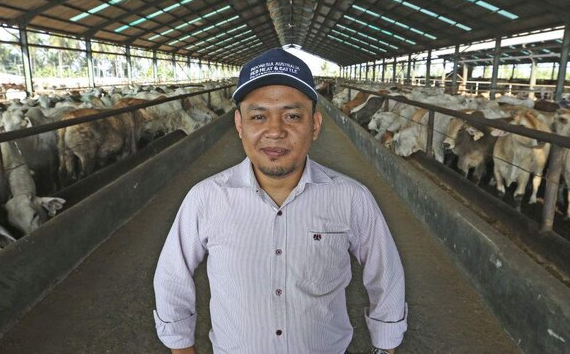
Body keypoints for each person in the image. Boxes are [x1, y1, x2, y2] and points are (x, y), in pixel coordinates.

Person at [153, 48, 407, 354]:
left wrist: (386, 347)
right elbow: (171, 277)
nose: (275, 131)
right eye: (259, 116)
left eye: (292, 116)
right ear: (239, 124)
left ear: (314, 125)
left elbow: (386, 275)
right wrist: (181, 348)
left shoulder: (351, 198)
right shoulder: (206, 198)